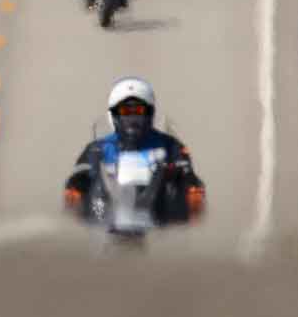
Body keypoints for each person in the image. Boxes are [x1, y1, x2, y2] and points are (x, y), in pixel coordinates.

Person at [63, 77, 205, 224]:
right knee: (93, 187)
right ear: (114, 115)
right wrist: (74, 189)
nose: (132, 118)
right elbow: (80, 173)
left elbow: (188, 174)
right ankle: (96, 221)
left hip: (160, 213)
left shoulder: (169, 144)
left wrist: (192, 190)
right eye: (125, 111)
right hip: (107, 212)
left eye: (139, 111)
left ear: (150, 113)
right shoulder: (98, 148)